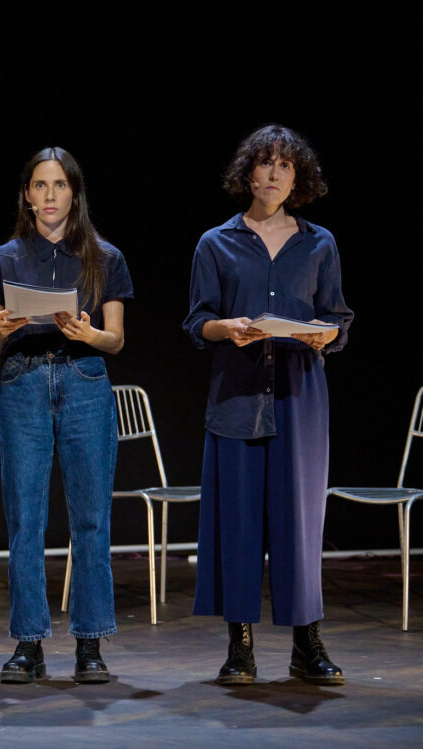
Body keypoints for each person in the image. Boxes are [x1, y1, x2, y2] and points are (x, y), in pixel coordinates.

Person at [183, 124, 353, 686]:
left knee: (299, 523)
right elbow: (196, 321)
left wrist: (324, 335)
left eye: (285, 165)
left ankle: (307, 642)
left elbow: (337, 317)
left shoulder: (319, 243)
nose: (275, 174)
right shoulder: (216, 242)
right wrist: (225, 328)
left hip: (300, 398)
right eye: (265, 163)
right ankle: (240, 646)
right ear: (248, 173)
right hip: (237, 395)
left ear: (297, 177)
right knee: (237, 522)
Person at [0, 147, 133, 684]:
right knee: (26, 518)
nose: (49, 195)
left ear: (74, 193)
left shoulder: (104, 257)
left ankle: (90, 642)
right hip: (23, 381)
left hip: (84, 379)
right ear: (27, 195)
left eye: (59, 185)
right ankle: (29, 642)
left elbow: (116, 339)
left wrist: (90, 333)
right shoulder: (3, 259)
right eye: (40, 185)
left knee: (90, 517)